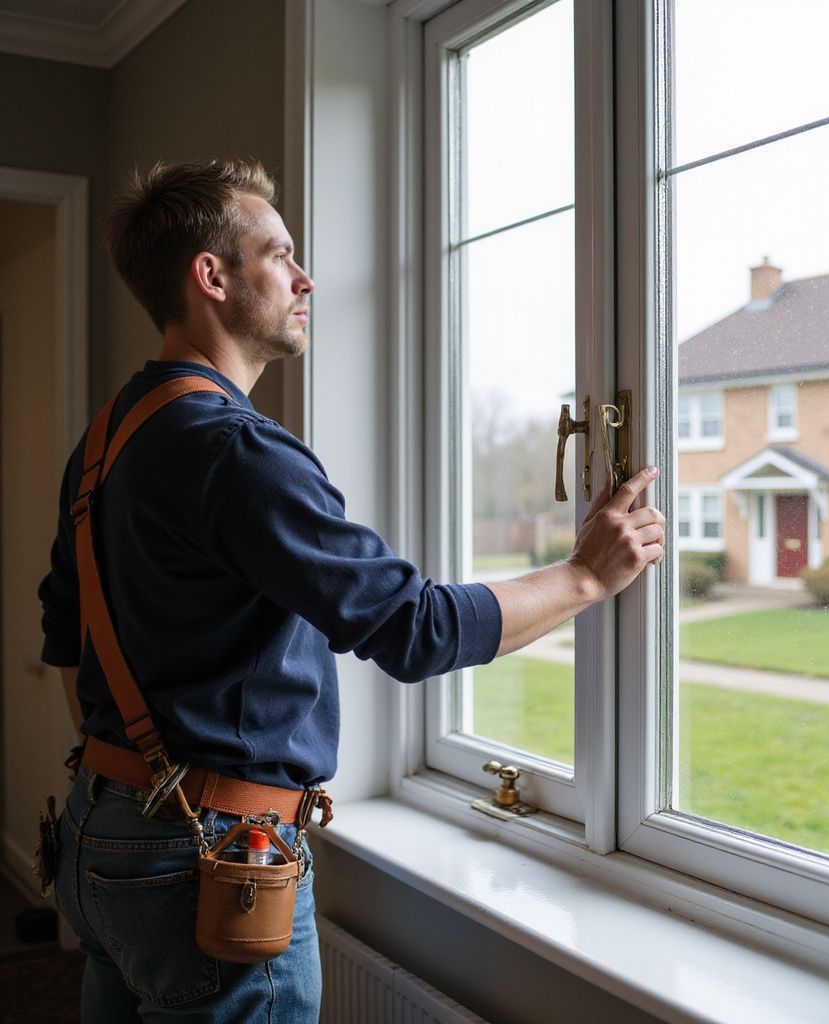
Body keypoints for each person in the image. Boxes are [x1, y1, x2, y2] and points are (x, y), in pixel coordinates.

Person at [38, 159, 665, 1023]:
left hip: (97, 831)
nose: (305, 279)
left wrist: (136, 770)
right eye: (279, 255)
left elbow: (65, 634)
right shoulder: (235, 449)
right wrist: (586, 575)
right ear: (212, 277)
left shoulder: (108, 435)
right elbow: (414, 630)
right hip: (213, 859)